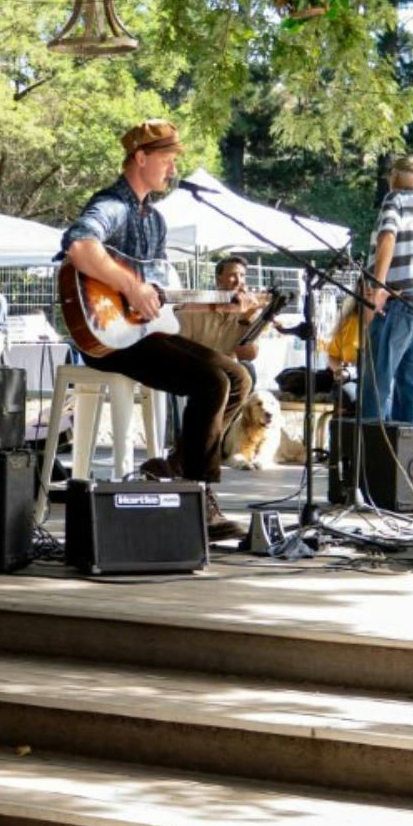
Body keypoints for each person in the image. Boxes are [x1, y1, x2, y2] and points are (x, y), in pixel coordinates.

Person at [60, 119, 249, 541]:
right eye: (165, 159)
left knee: (238, 377)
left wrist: (226, 305)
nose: (171, 169)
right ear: (140, 158)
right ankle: (199, 497)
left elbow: (163, 296)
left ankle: (178, 467)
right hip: (108, 336)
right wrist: (129, 285)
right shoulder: (112, 205)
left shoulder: (155, 220)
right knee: (210, 381)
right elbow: (78, 246)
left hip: (145, 333)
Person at [359, 153, 413, 424]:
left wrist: (377, 288)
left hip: (400, 302)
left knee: (378, 381)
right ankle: (409, 456)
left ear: (393, 178)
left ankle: (374, 456)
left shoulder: (394, 200)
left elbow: (387, 236)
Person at [214, 256, 261, 385]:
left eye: (242, 275)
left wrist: (246, 319)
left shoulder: (247, 309)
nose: (239, 281)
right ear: (218, 280)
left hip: (230, 366)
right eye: (233, 275)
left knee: (247, 370)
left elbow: (249, 355)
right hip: (204, 363)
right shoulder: (202, 307)